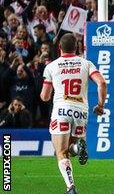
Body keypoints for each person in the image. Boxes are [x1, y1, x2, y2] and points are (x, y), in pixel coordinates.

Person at [39, 33, 107, 194]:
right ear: (76, 47)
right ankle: (78, 147)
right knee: (71, 149)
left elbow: (45, 96)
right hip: (80, 110)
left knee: (61, 152)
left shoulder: (51, 66)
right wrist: (100, 105)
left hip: (61, 109)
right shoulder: (86, 63)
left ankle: (70, 187)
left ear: (59, 48)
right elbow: (102, 82)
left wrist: (46, 93)